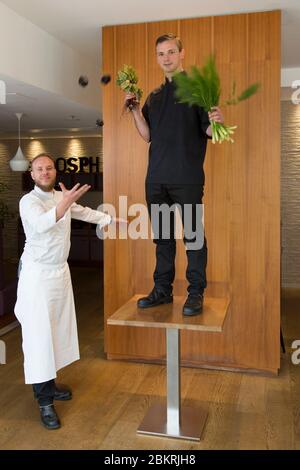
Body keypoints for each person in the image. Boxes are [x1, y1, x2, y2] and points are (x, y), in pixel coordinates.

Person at [15, 153, 124, 430]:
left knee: (56, 330)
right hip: (37, 276)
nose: (45, 172)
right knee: (39, 337)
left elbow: (83, 212)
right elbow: (41, 225)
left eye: (49, 167)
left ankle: (49, 386)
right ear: (32, 173)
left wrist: (110, 220)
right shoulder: (29, 202)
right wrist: (65, 202)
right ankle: (44, 402)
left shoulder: (58, 197)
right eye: (39, 169)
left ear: (55, 171)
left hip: (59, 274)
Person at [125, 33, 224, 316]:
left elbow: (210, 132)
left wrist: (218, 123)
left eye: (170, 52)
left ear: (181, 54)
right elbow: (147, 136)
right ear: (157, 58)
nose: (166, 58)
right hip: (156, 179)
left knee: (193, 236)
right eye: (161, 54)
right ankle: (162, 291)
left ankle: (195, 294)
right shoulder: (154, 97)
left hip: (187, 178)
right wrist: (134, 111)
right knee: (163, 238)